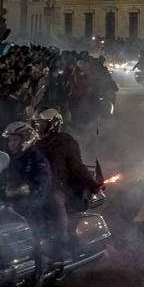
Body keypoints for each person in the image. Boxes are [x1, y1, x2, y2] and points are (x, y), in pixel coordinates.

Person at [32, 107, 102, 260]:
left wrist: (92, 184)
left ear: (52, 124)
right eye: (36, 123)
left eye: (41, 123)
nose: (37, 127)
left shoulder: (64, 142)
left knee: (55, 200)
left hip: (61, 188)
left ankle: (63, 238)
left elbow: (77, 167)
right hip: (37, 188)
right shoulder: (33, 144)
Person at [2, 121, 52, 228]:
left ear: (26, 140)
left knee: (33, 225)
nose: (11, 143)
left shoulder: (37, 158)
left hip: (31, 206)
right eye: (10, 140)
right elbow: (1, 177)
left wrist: (26, 189)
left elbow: (43, 181)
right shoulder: (12, 160)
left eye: (15, 139)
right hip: (13, 204)